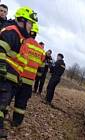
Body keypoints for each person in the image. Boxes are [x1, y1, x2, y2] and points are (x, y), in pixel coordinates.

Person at [0, 6, 38, 138]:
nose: (31, 27)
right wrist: (1, 67)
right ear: (22, 20)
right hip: (4, 78)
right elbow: (1, 49)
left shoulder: (21, 37)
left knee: (3, 107)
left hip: (11, 79)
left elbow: (17, 61)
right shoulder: (12, 32)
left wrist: (18, 77)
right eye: (30, 23)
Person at [11, 20, 45, 127]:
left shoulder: (23, 41)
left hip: (17, 76)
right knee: (21, 104)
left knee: (7, 99)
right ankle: (16, 123)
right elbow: (40, 64)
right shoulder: (40, 50)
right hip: (29, 82)